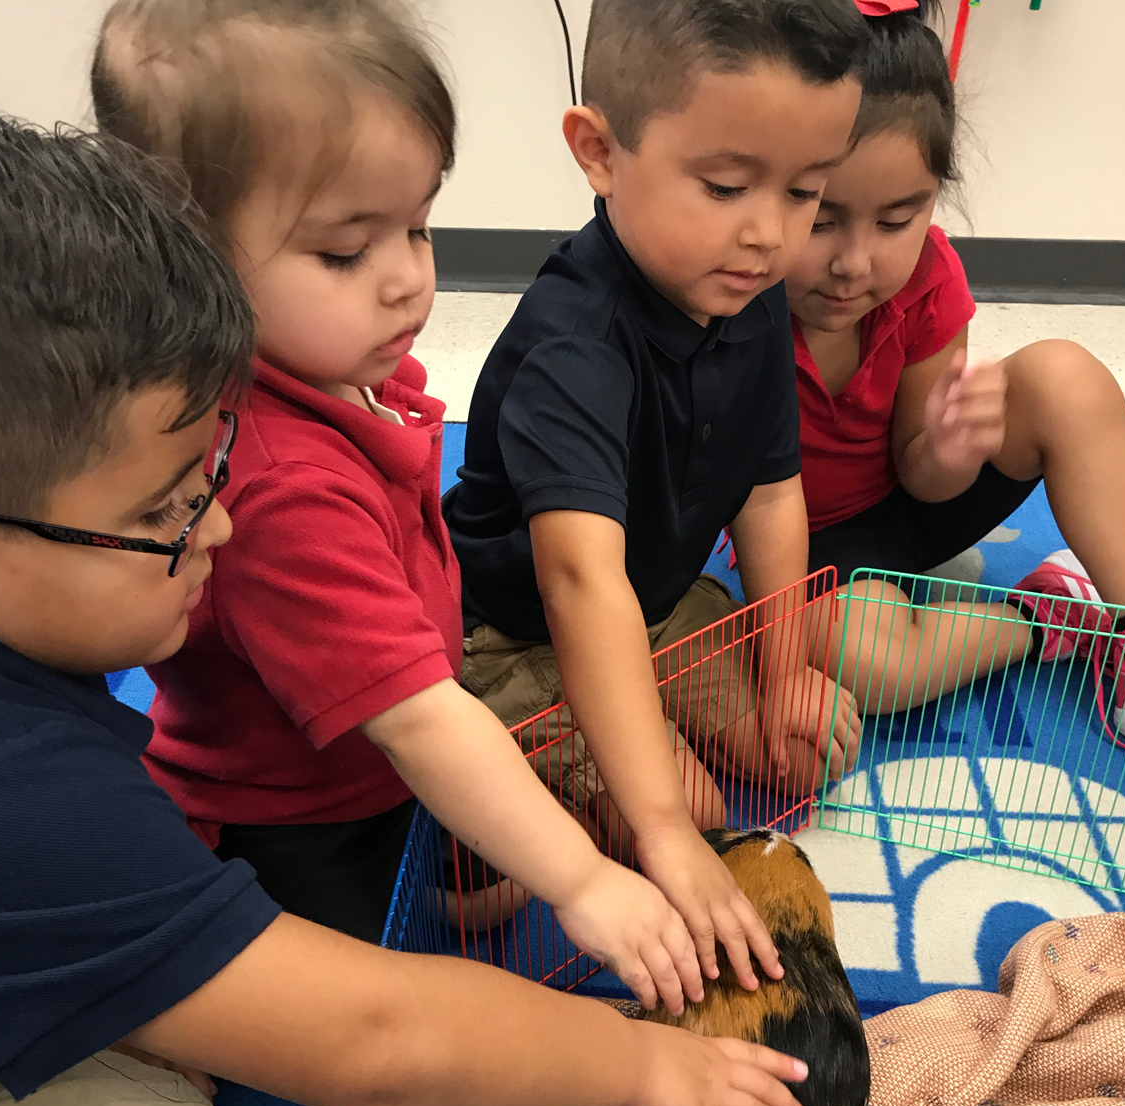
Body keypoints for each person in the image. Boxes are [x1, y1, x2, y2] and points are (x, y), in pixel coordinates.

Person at [0, 103, 812, 1106]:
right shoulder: (22, 798)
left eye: (209, 479)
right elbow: (374, 1042)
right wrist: (644, 1064)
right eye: (162, 512)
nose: (222, 532)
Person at [89, 0, 775, 1007]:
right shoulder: (278, 486)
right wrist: (586, 885)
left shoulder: (339, 371)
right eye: (344, 252)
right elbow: (417, 721)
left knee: (493, 889)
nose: (409, 278)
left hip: (388, 761)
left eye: (415, 224)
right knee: (382, 1003)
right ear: (186, 260)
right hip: (290, 819)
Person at [442, 0, 868, 959]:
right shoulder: (574, 347)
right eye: (724, 186)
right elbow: (577, 579)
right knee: (693, 813)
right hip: (515, 637)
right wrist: (668, 830)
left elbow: (771, 493)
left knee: (806, 739)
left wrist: (784, 666)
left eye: (806, 192)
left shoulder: (747, 293)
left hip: (659, 605)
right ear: (598, 151)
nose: (769, 235)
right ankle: (489, 821)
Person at [782, 0, 1125, 721]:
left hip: (917, 497)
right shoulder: (743, 297)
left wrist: (954, 446)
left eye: (897, 219)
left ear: (935, 201)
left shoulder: (930, 279)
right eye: (819, 217)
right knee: (864, 664)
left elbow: (922, 475)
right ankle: (1047, 614)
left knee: (1062, 375)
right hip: (808, 544)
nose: (853, 263)